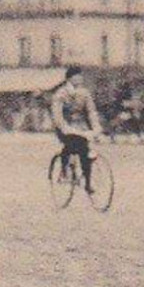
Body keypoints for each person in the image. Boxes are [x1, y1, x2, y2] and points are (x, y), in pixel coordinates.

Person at [49, 65, 104, 193]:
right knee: (72, 144)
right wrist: (64, 127)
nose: (79, 78)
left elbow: (91, 111)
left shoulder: (84, 93)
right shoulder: (60, 94)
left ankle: (88, 183)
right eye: (76, 76)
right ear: (69, 78)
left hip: (80, 126)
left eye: (80, 76)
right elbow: (57, 115)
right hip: (63, 126)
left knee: (85, 151)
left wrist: (96, 127)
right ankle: (64, 171)